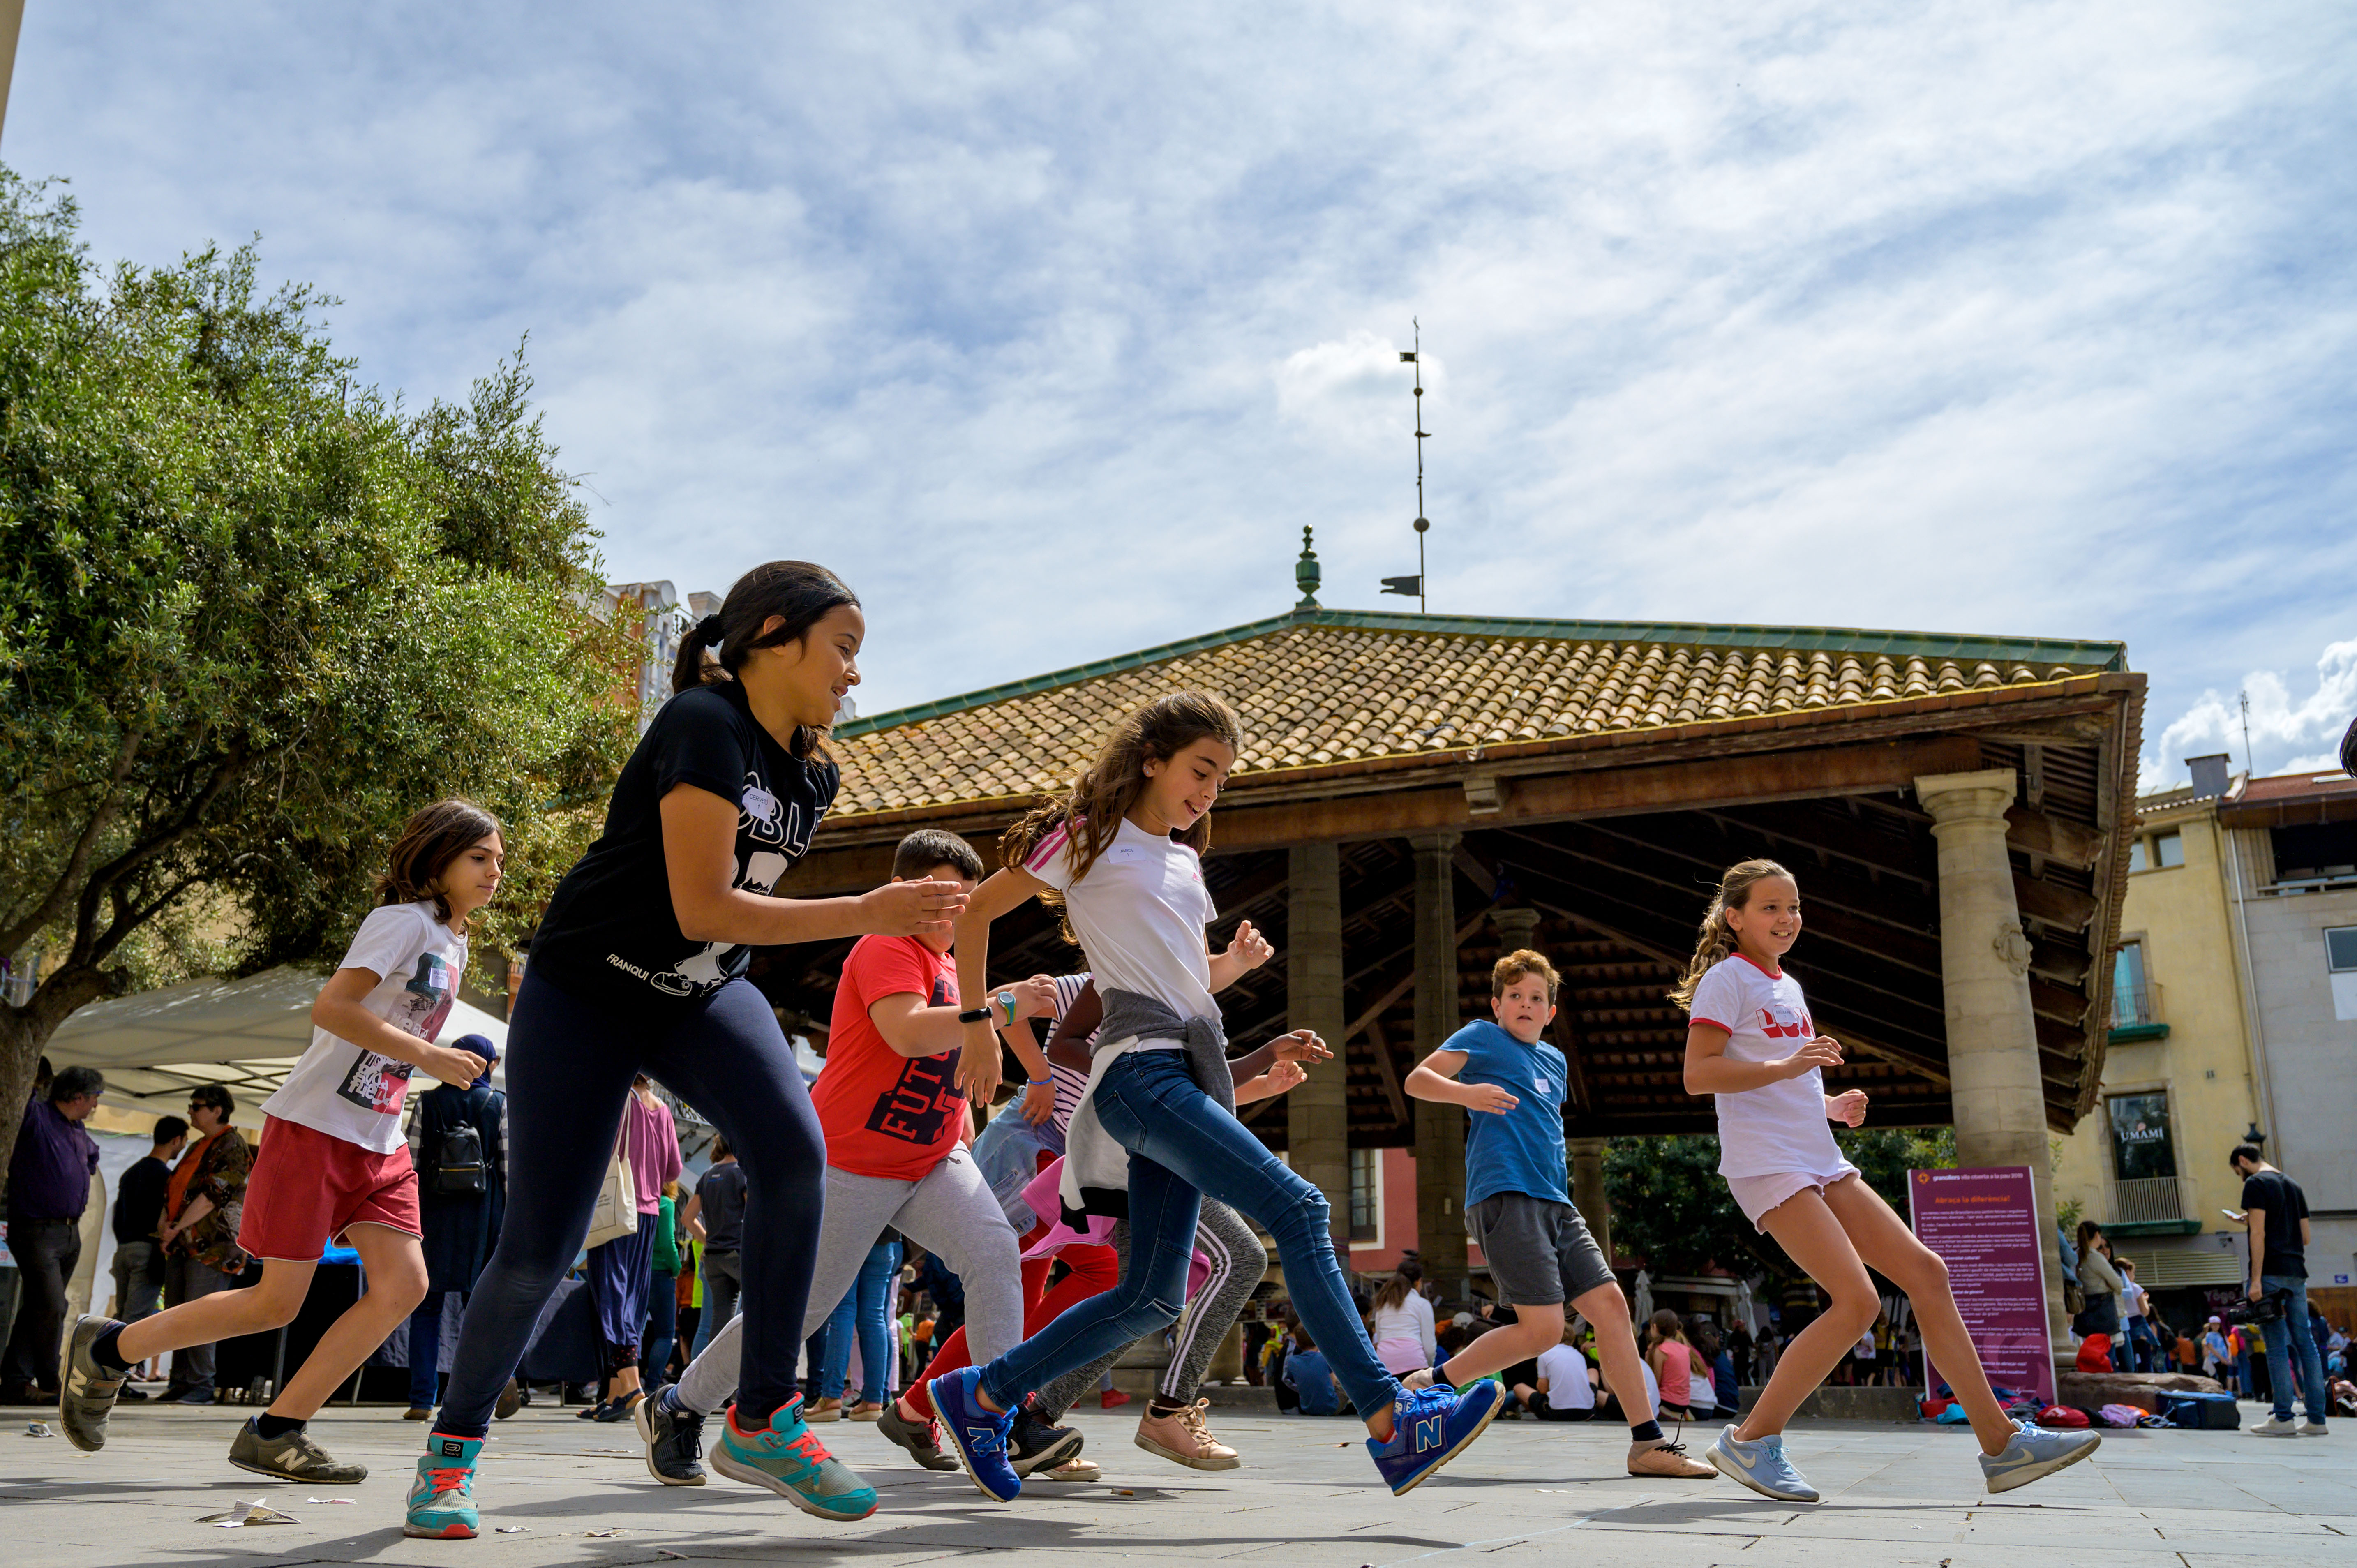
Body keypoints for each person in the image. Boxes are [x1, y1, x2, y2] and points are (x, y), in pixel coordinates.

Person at [405, 563, 967, 1538]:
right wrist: (866, 911)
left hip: (697, 992)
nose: (854, 674)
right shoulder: (703, 723)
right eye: (843, 648)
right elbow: (702, 903)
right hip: (586, 992)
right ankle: (449, 1457)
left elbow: (720, 928)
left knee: (794, 1155)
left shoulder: (815, 773)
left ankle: (763, 1418)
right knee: (540, 1247)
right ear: (774, 636)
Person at [923, 690, 1504, 1503]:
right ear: (1150, 760)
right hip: (1139, 1074)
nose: (1210, 790)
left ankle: (981, 1394)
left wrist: (1247, 1026)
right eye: (1201, 770)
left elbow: (1183, 981)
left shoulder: (1182, 860)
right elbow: (977, 911)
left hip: (1180, 1071)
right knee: (1300, 1209)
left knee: (1150, 1293)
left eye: (1222, 779)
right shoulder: (1088, 836)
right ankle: (1391, 1418)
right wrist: (977, 1023)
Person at [62, 799, 503, 1483]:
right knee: (275, 1302)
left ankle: (278, 1428)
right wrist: (429, 1055)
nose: (495, 871)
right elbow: (333, 1007)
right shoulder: (400, 922)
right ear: (438, 857)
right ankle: (111, 1349)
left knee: (404, 1286)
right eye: (480, 857)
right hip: (315, 1129)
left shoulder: (455, 941)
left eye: (500, 860)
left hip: (380, 1141)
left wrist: (425, 1056)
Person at [639, 829, 1066, 1489]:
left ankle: (997, 1411)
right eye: (937, 894)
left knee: (993, 1254)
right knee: (799, 1311)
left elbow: (964, 1043)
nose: (952, 910)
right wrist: (1003, 1003)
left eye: (963, 899)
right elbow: (908, 1030)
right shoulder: (884, 946)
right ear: (900, 889)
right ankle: (679, 1404)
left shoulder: (956, 967)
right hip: (852, 1162)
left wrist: (1010, 1029)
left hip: (933, 1159)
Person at [1674, 858, 2100, 1502]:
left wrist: (1828, 1104)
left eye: (1793, 906)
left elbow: (1778, 1080)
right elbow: (1699, 1073)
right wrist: (1791, 1064)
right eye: (1769, 907)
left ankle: (2002, 1443)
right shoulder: (1725, 979)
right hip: (1766, 1161)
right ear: (1734, 917)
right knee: (1857, 1302)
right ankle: (1751, 1439)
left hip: (1817, 1154)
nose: (1786, 918)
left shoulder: (1788, 985)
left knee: (1927, 1272)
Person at [1400, 947, 1710, 1478]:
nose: (1524, 1003)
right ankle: (1433, 1381)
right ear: (1496, 1004)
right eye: (1514, 995)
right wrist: (1465, 1094)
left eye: (1535, 997)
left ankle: (1647, 1443)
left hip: (1557, 1204)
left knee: (1611, 1306)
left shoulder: (1556, 1060)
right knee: (1543, 1329)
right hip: (1505, 1194)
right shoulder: (1481, 1036)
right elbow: (1417, 1080)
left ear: (1550, 1011)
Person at [405, 1035, 510, 1423]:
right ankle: (481, 1393)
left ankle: (421, 1399)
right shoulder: (498, 1103)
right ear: (488, 1063)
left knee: (426, 1308)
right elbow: (509, 1168)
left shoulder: (427, 1101)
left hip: (432, 1217)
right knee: (479, 1310)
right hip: (483, 1219)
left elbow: (410, 1163)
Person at [578, 1074, 683, 1423]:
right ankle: (615, 1393)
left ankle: (632, 1386)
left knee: (611, 1297)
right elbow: (673, 1169)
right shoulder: (662, 1109)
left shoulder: (617, 1098)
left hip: (616, 1208)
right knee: (631, 1299)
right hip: (648, 1211)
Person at [4, 1065, 105, 1402]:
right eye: (95, 1097)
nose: (96, 1104)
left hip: (68, 1232)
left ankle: (16, 1381)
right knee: (52, 1306)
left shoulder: (76, 1128)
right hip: (36, 1229)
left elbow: (93, 1154)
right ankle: (50, 1379)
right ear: (78, 1096)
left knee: (39, 1306)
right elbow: (23, 1089)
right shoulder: (36, 1117)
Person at [154, 1085, 254, 1404]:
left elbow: (213, 1195)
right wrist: (166, 1225)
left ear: (217, 1110)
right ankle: (182, 1381)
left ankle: (200, 1384)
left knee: (200, 1315)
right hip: (184, 1243)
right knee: (178, 1313)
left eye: (196, 1106)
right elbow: (175, 1187)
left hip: (212, 1247)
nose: (190, 1111)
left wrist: (175, 1228)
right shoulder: (200, 1145)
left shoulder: (232, 1144)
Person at [2231, 1142, 2329, 1436]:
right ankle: (2317, 1420)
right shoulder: (2294, 1186)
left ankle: (2283, 1417)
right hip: (2296, 1272)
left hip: (2270, 1272)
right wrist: (2252, 1219)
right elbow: (2305, 1237)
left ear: (2242, 1161)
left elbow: (2258, 1233)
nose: (2240, 1176)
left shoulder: (2255, 1183)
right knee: (2306, 1345)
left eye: (2237, 1171)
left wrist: (2256, 1280)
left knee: (2275, 1347)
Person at [102, 1115, 189, 1397]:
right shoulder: (166, 1177)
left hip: (124, 1249)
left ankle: (107, 1377)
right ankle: (116, 1384)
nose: (182, 1147)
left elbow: (116, 1216)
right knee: (136, 1320)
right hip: (148, 1250)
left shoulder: (131, 1172)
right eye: (184, 1142)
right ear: (176, 1140)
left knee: (122, 1315)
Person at [682, 1136, 745, 1357]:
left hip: (713, 1258)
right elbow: (755, 1214)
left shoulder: (708, 1175)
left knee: (717, 1324)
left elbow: (687, 1218)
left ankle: (710, 1377)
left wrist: (709, 1241)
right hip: (738, 1254)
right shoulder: (741, 1173)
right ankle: (744, 1375)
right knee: (753, 1318)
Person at [1512, 1323, 1597, 1421]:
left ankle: (1541, 1414)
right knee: (1593, 1372)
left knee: (1519, 1388)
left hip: (1559, 1413)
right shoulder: (1579, 1355)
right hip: (1587, 1412)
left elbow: (1543, 1390)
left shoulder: (1545, 1355)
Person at [1369, 1260, 1438, 1376]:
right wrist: (1429, 1366)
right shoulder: (1422, 1304)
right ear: (1418, 1282)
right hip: (1414, 1361)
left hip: (1386, 1363)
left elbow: (1380, 1338)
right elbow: (1429, 1346)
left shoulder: (1383, 1304)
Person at [2074, 1221, 2124, 1350]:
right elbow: (2118, 1285)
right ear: (2097, 1235)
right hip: (2103, 1311)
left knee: (2093, 1353)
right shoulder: (2095, 1257)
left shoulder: (2077, 1255)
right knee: (2106, 1354)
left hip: (2085, 1312)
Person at [1644, 1310, 1697, 1419]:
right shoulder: (1685, 1349)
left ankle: (1667, 1412)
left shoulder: (1661, 1350)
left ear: (1655, 1327)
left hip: (1667, 1402)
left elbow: (1656, 1383)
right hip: (1685, 1403)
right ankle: (1682, 1413)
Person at [1282, 1319, 1341, 1416]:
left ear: (1297, 1343)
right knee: (1343, 1379)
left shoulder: (1292, 1361)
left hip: (1308, 1408)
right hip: (1332, 1407)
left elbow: (1287, 1379)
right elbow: (1333, 1384)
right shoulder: (1325, 1358)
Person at [2117, 1259, 2155, 1374]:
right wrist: (2145, 1300)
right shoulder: (2136, 1288)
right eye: (2133, 1272)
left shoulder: (2117, 1288)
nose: (2134, 1276)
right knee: (2145, 1364)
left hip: (2123, 1326)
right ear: (2128, 1271)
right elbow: (2145, 1311)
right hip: (2139, 1329)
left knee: (2129, 1362)